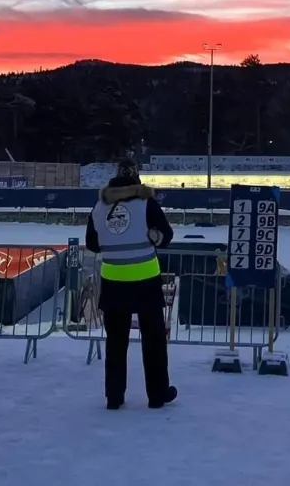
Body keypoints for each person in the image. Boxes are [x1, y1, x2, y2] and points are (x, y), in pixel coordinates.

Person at [85, 158, 177, 411]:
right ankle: (157, 394)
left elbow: (92, 244)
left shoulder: (99, 207)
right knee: (153, 341)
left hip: (113, 280)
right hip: (145, 280)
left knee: (116, 342)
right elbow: (166, 235)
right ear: (136, 178)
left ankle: (114, 396)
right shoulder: (145, 203)